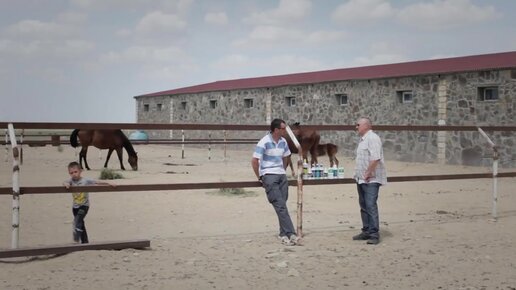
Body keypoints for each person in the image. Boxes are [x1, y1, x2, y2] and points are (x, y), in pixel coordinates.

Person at [252, 118, 299, 246]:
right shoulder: (264, 142)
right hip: (269, 175)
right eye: (283, 128)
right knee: (280, 205)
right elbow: (255, 161)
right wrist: (260, 177)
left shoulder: (283, 142)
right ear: (276, 130)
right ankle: (291, 233)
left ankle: (283, 234)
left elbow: (286, 157)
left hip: (281, 175)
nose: (285, 131)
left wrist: (282, 170)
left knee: (282, 205)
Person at [352, 117, 387, 245]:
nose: (356, 127)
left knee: (370, 205)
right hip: (361, 179)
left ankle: (374, 234)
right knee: (364, 205)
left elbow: (376, 157)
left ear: (366, 125)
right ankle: (366, 230)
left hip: (371, 179)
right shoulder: (363, 140)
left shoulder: (373, 138)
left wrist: (368, 172)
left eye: (358, 125)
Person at [63, 161, 114, 244]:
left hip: (84, 206)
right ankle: (85, 242)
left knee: (77, 220)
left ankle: (76, 239)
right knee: (81, 224)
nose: (74, 174)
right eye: (71, 173)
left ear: (80, 171)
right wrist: (66, 184)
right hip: (75, 207)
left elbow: (97, 182)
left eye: (75, 172)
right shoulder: (71, 181)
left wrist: (109, 183)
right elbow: (65, 182)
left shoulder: (85, 180)